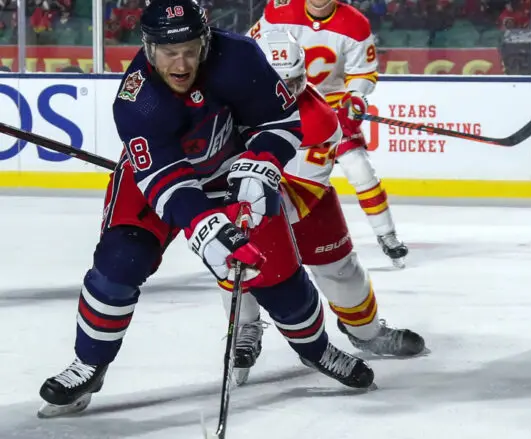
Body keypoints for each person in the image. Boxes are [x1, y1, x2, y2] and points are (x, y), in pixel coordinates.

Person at [37, 0, 374, 418]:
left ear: (206, 41)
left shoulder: (239, 57)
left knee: (278, 276)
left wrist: (263, 162)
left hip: (234, 173)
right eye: (169, 52)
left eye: (190, 50)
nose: (180, 65)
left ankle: (316, 350)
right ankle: (90, 363)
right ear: (148, 47)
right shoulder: (137, 100)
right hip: (159, 182)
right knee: (120, 261)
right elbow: (166, 182)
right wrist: (206, 226)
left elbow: (282, 121)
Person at [221, 30, 425, 385]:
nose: (289, 92)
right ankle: (245, 328)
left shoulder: (318, 119)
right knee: (235, 264)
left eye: (295, 81)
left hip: (303, 203)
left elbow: (301, 195)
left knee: (342, 272)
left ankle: (367, 332)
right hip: (244, 200)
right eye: (280, 83)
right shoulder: (227, 102)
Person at [248, 0, 409, 269]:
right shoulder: (280, 10)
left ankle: (387, 234)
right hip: (279, 102)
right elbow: (250, 50)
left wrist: (355, 98)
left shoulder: (355, 24)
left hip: (329, 107)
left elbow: (363, 72)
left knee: (359, 168)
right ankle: (252, 241)